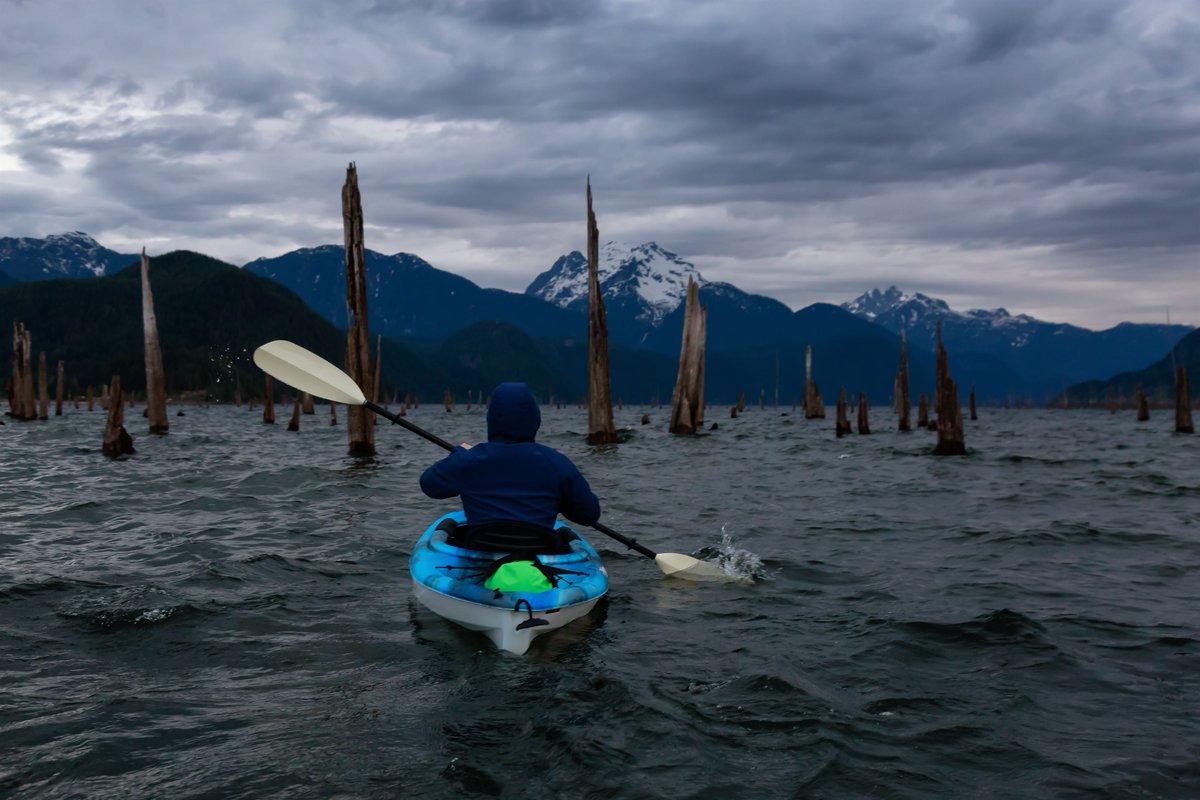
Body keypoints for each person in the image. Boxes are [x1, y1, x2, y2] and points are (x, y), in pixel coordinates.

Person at [419, 382, 601, 553]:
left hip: (481, 550)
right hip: (539, 555)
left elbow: (429, 485)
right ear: (534, 418)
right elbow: (589, 515)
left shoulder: (469, 459)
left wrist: (459, 455)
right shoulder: (556, 462)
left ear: (491, 418)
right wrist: (560, 500)